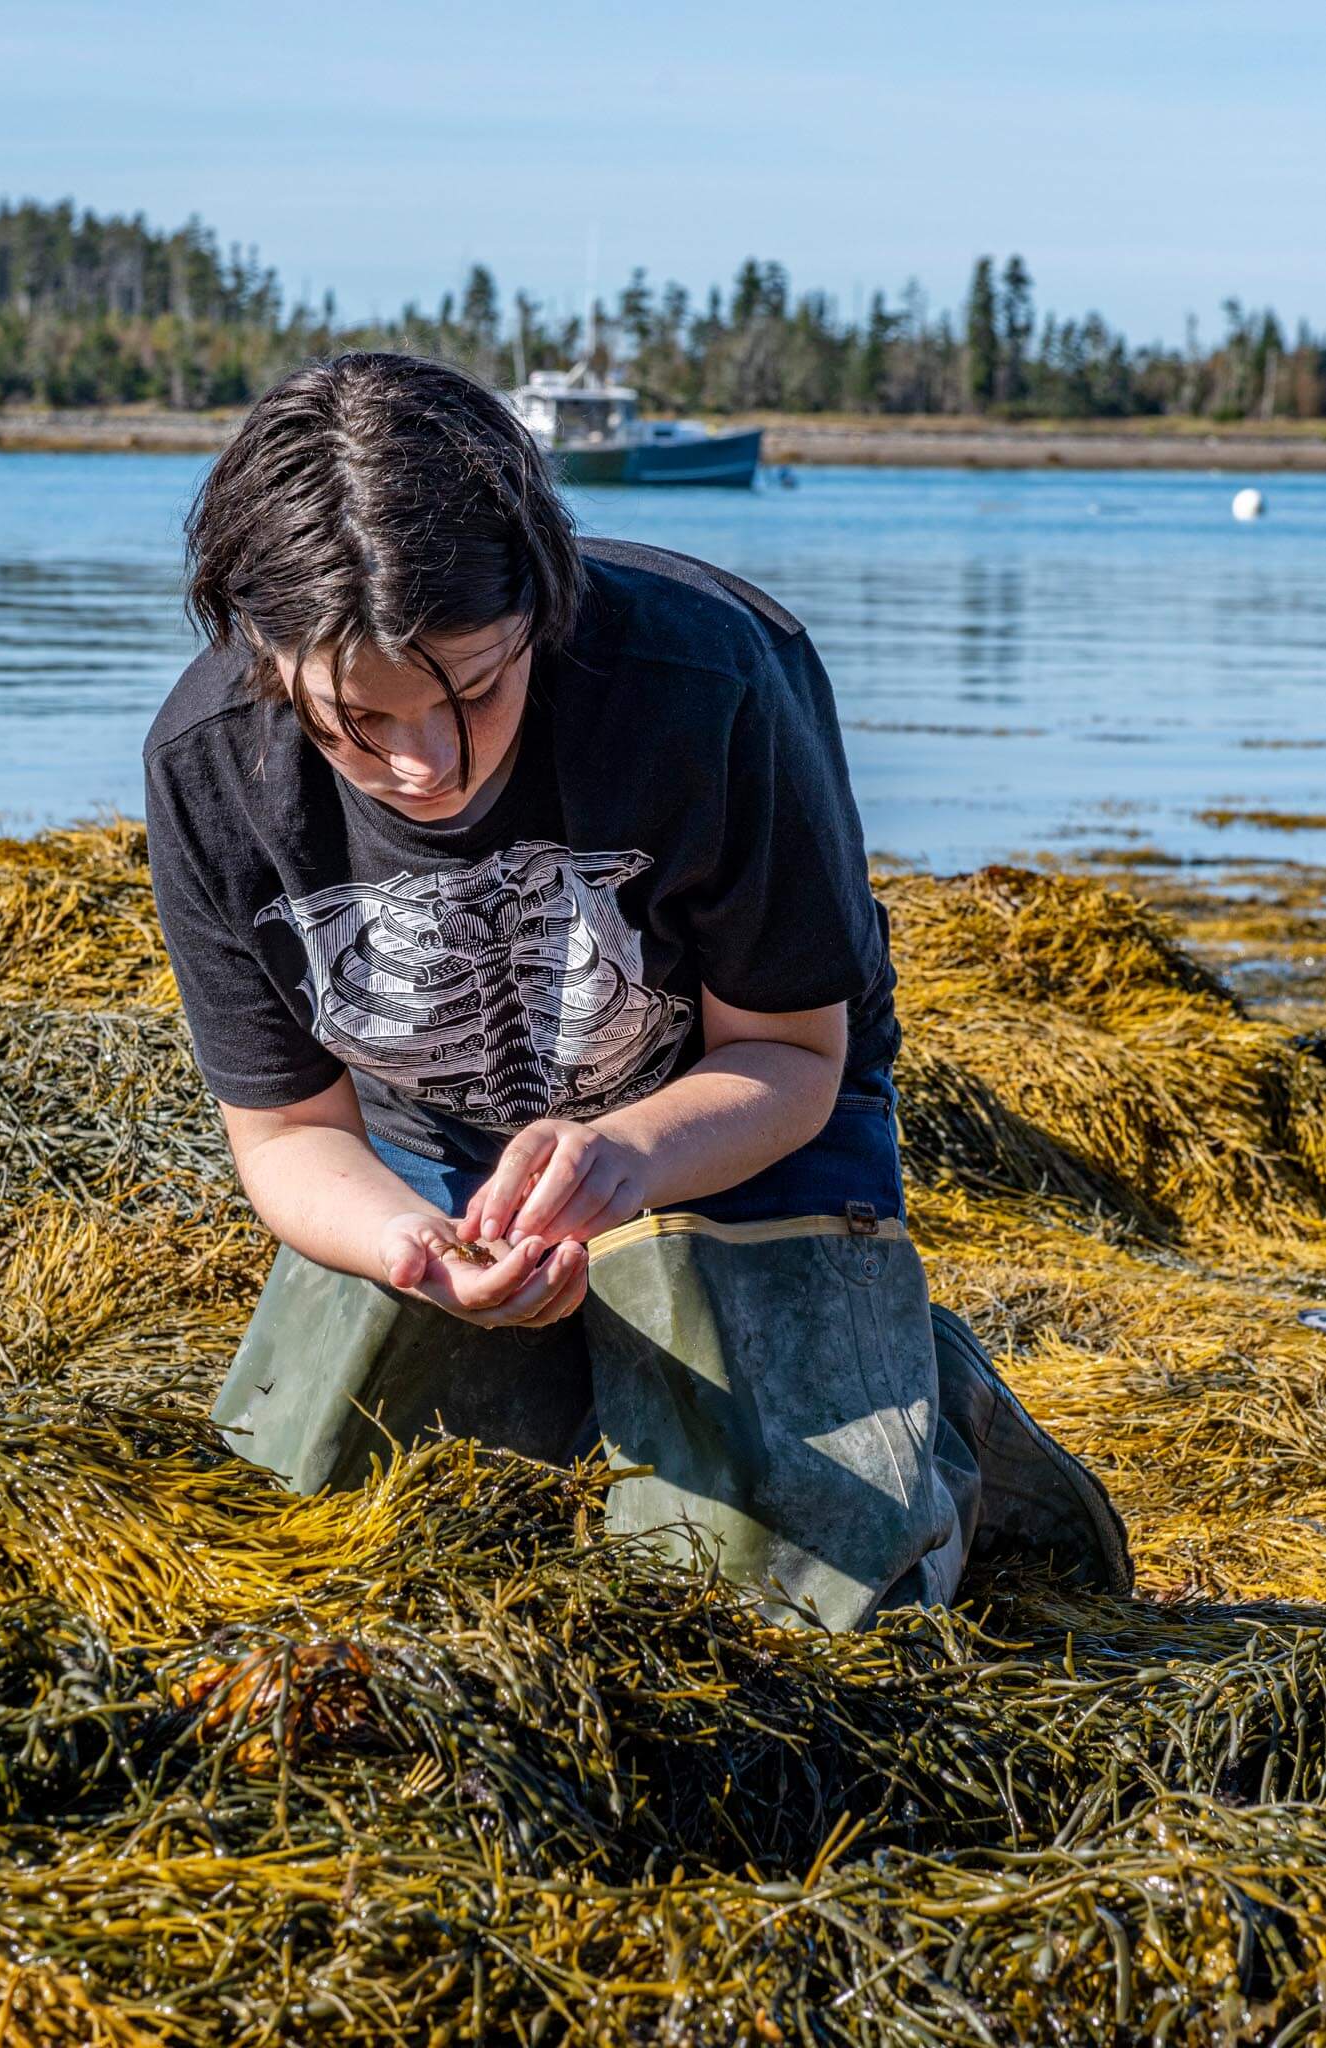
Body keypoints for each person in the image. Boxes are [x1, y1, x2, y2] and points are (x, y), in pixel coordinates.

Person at [143, 351, 1130, 1628]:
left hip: (739, 1124)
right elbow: (286, 1136)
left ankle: (934, 1418)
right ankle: (694, 1369)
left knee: (771, 1603)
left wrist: (623, 1157)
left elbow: (790, 1057)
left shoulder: (710, 681)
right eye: (352, 721)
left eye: (478, 689)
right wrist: (409, 1250)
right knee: (316, 1532)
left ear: (541, 604)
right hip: (436, 1165)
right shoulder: (210, 763)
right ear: (261, 654)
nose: (423, 762)